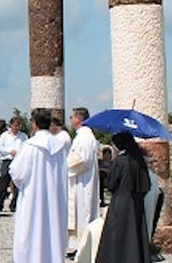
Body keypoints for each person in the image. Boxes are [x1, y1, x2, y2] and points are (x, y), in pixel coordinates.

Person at [10, 108, 69, 263]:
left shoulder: (30, 146)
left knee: (31, 234)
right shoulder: (60, 146)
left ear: (34, 124)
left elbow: (17, 173)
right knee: (53, 235)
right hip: (55, 198)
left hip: (33, 198)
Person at [95, 132, 151, 263]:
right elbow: (146, 184)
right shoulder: (139, 160)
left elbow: (110, 183)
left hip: (121, 202)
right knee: (135, 233)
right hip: (136, 202)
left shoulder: (120, 161)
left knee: (118, 234)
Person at [67, 107, 100, 253]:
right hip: (78, 179)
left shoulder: (86, 137)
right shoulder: (81, 135)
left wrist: (65, 164)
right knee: (79, 212)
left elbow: (83, 160)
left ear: (79, 119)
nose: (71, 120)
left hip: (83, 181)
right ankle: (77, 245)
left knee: (83, 211)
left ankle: (83, 246)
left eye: (72, 117)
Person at [0, 116, 27, 212]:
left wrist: (19, 152)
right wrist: (9, 151)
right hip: (7, 160)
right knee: (3, 182)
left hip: (18, 161)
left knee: (17, 183)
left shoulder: (23, 136)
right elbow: (0, 148)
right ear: (11, 125)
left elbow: (26, 147)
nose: (17, 127)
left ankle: (14, 205)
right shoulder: (4, 136)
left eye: (19, 125)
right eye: (15, 125)